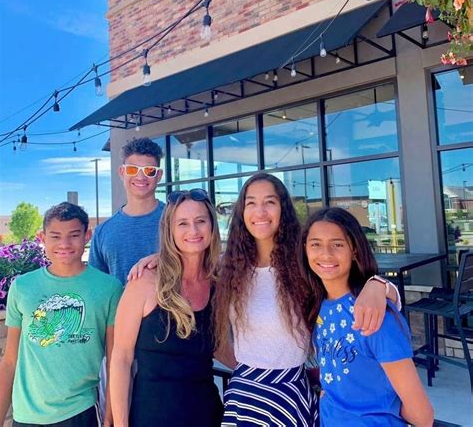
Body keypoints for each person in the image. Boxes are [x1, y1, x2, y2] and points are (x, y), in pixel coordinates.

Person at [212, 173, 401, 426]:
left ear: (283, 208)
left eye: (269, 202)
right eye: (251, 203)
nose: (260, 211)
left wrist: (378, 285)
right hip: (246, 391)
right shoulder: (229, 267)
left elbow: (367, 290)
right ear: (241, 212)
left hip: (291, 391)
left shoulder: (303, 263)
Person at [300, 207, 434, 426]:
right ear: (305, 249)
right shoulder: (318, 306)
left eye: (338, 244)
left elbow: (422, 415)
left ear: (354, 250)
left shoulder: (375, 315)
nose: (325, 253)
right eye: (315, 244)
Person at [0, 202, 122, 427]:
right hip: (26, 416)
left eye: (74, 235)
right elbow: (9, 361)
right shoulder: (22, 287)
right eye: (55, 236)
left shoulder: (109, 288)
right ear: (42, 238)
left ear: (87, 236)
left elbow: (115, 361)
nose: (64, 244)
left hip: (80, 412)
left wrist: (111, 415)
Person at [110, 189, 224, 427]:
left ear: (212, 227)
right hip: (152, 417)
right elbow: (121, 358)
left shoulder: (218, 282)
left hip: (208, 415)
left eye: (201, 221)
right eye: (182, 223)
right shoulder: (144, 281)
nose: (193, 230)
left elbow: (219, 347)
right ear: (169, 230)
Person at [89, 137, 165, 285]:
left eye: (149, 171)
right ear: (122, 172)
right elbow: (96, 286)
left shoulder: (177, 221)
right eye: (132, 169)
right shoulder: (103, 232)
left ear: (159, 175)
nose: (141, 177)